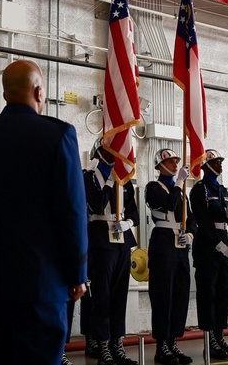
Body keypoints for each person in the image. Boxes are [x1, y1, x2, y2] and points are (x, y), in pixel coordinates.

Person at [0, 60, 88, 365]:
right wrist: (78, 273)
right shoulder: (58, 135)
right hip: (42, 285)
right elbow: (71, 210)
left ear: (5, 94)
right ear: (39, 91)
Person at [85, 141, 140, 365]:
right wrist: (109, 180)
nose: (115, 151)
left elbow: (135, 213)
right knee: (101, 295)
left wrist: (128, 223)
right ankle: (102, 344)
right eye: (109, 148)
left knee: (119, 295)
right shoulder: (88, 176)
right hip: (100, 242)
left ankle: (117, 343)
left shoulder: (123, 180)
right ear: (98, 151)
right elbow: (97, 205)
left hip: (121, 242)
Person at [188, 150, 228, 360]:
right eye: (215, 162)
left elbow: (224, 219)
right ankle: (209, 340)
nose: (220, 165)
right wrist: (220, 246)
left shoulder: (222, 190)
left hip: (224, 246)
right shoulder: (199, 190)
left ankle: (219, 337)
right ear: (206, 166)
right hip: (208, 248)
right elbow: (203, 221)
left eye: (220, 161)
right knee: (208, 296)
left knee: (223, 293)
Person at [145, 149, 194, 365]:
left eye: (176, 161)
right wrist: (178, 183)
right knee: (164, 294)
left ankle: (173, 341)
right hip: (163, 240)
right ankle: (161, 345)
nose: (176, 164)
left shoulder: (181, 190)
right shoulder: (153, 187)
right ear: (160, 166)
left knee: (180, 294)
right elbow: (169, 205)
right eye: (171, 161)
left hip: (180, 244)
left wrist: (191, 233)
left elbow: (190, 217)